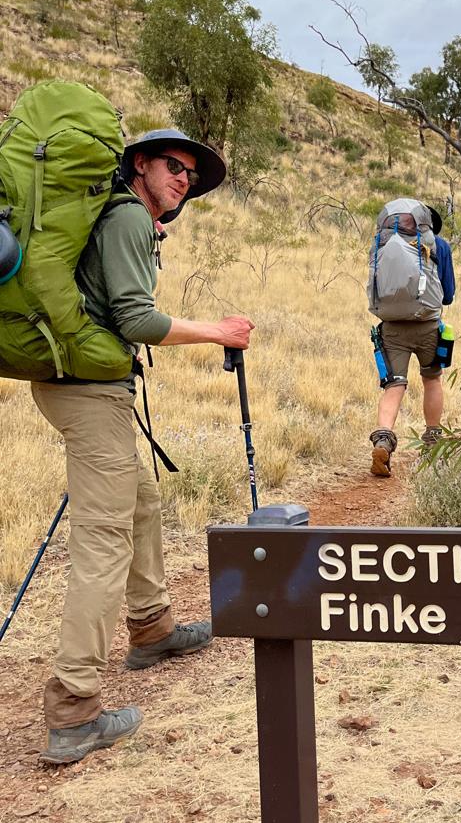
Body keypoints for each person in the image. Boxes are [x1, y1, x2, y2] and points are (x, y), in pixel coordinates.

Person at [35, 129, 254, 765]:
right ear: (140, 165)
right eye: (173, 166)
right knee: (104, 539)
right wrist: (218, 329)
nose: (184, 179)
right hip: (88, 390)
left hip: (80, 383)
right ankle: (74, 711)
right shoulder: (129, 216)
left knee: (143, 502)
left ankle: (153, 627)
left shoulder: (119, 217)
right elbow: (137, 320)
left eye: (191, 173)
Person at [368, 202, 455, 477]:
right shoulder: (439, 246)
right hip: (428, 325)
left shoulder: (382, 243)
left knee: (394, 386)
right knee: (432, 378)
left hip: (392, 326)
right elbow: (448, 295)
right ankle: (431, 442)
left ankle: (382, 441)